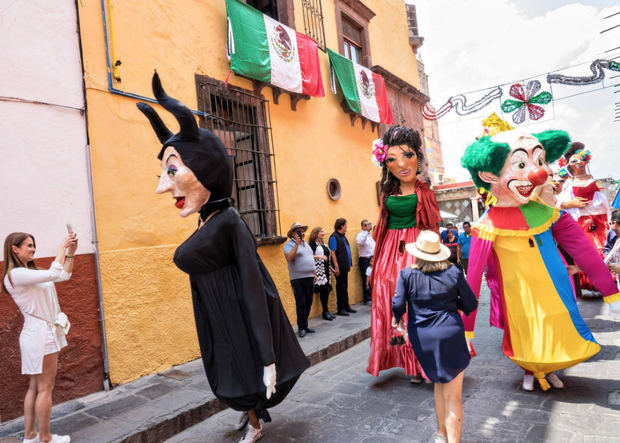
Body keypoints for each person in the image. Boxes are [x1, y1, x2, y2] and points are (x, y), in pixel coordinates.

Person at [137, 73, 309, 443]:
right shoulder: (209, 219)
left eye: (171, 170)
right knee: (233, 371)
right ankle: (253, 415)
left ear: (208, 169)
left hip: (241, 319)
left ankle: (256, 424)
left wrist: (268, 356)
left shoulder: (229, 221)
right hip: (223, 320)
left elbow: (252, 286)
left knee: (247, 370)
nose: (162, 186)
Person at [460, 127, 620, 392]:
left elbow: (583, 249)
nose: (537, 173)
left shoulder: (548, 213)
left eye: (539, 162)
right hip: (518, 295)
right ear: (488, 175)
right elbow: (472, 279)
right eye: (521, 164)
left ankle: (550, 369)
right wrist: (466, 328)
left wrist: (610, 291)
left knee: (555, 325)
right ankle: (530, 370)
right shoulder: (485, 226)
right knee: (526, 332)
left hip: (554, 288)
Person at [366, 125, 441, 381]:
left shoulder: (425, 191)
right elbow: (380, 227)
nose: (402, 163)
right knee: (389, 301)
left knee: (417, 303)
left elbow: (432, 226)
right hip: (389, 251)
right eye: (392, 158)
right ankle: (403, 359)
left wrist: (437, 259)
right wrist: (374, 264)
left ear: (417, 158)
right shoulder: (386, 192)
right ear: (386, 163)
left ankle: (422, 362)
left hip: (417, 247)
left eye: (407, 155)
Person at [392, 231, 477, 443]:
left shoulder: (407, 274)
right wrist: (452, 303)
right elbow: (471, 304)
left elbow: (397, 304)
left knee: (439, 383)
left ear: (418, 253)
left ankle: (441, 434)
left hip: (422, 337)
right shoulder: (453, 273)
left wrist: (398, 321)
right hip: (450, 333)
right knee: (453, 395)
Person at [2, 231, 78, 443]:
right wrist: (62, 246)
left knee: (35, 387)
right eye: (28, 245)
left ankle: (31, 436)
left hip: (36, 334)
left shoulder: (29, 272)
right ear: (14, 249)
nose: (33, 249)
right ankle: (45, 438)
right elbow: (55, 273)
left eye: (34, 245)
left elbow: (63, 275)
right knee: (45, 387)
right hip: (40, 334)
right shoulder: (17, 274)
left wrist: (70, 253)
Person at [555, 142, 611, 294]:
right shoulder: (569, 183)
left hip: (599, 221)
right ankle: (591, 282)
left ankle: (605, 282)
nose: (579, 162)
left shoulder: (592, 179)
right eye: (574, 160)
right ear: (569, 165)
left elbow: (602, 201)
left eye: (581, 159)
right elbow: (559, 203)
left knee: (603, 251)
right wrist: (572, 203)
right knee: (587, 252)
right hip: (581, 222)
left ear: (587, 159)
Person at [284, 222, 317, 337]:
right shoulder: (289, 245)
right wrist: (296, 245)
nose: (301, 233)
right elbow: (289, 258)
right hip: (297, 279)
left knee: (308, 302)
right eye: (298, 231)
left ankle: (305, 325)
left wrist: (314, 273)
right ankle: (301, 327)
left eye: (302, 231)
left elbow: (309, 258)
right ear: (293, 234)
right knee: (301, 303)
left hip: (309, 277)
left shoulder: (306, 244)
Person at [329, 218, 356, 316]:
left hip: (344, 266)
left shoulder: (343, 237)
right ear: (341, 226)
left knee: (345, 286)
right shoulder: (334, 237)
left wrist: (349, 264)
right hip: (339, 266)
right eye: (346, 225)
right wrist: (336, 267)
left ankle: (346, 305)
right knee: (340, 286)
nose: (347, 227)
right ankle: (340, 308)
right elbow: (333, 252)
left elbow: (346, 250)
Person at [309, 226, 335, 321]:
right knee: (323, 290)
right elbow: (309, 256)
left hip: (326, 270)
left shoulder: (323, 244)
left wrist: (332, 268)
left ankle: (326, 311)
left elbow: (327, 257)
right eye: (321, 232)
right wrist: (320, 257)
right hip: (319, 271)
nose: (323, 233)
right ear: (316, 233)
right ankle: (325, 312)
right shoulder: (313, 244)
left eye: (323, 231)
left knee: (326, 290)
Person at [356, 219, 375, 305]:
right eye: (366, 225)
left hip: (371, 259)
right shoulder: (361, 235)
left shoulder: (369, 236)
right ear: (362, 226)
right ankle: (367, 299)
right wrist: (366, 232)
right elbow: (360, 242)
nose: (368, 226)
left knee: (372, 278)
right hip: (365, 260)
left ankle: (372, 296)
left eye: (369, 224)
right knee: (366, 278)